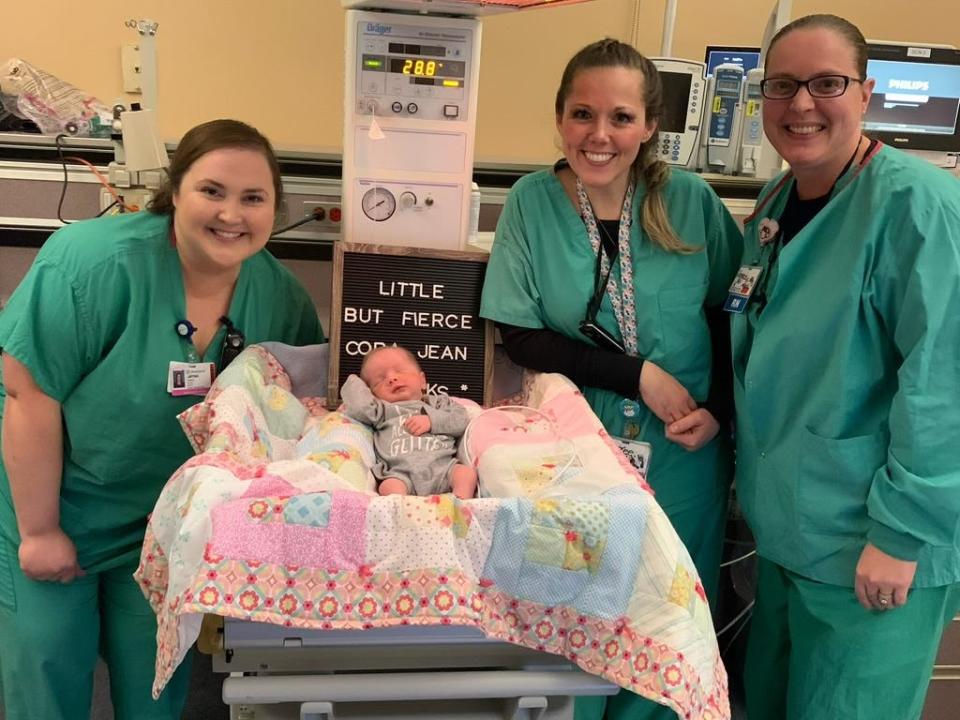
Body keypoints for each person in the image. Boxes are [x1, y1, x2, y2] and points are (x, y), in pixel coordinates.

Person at [0, 118, 325, 720]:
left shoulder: (280, 296)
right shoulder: (93, 265)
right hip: (52, 496)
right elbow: (27, 393)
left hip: (167, 521)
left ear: (275, 210)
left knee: (156, 677)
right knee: (47, 667)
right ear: (175, 191)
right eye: (212, 191)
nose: (232, 214)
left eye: (254, 198)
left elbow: (301, 410)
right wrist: (42, 530)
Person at [479, 39, 743, 719]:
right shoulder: (532, 205)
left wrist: (718, 408)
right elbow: (522, 334)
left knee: (666, 624)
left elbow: (729, 314)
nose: (599, 136)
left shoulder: (690, 202)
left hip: (683, 442)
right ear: (560, 118)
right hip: (574, 442)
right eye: (582, 115)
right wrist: (637, 375)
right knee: (577, 618)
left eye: (621, 118)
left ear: (651, 124)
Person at [730, 14, 960, 719]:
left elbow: (943, 385)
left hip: (873, 548)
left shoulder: (918, 208)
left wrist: (900, 535)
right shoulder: (775, 206)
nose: (801, 104)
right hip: (789, 532)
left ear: (867, 92)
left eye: (826, 83)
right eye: (782, 86)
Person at [341, 346, 477, 499]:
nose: (392, 379)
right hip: (400, 474)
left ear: (422, 380)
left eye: (400, 371)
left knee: (466, 474)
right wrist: (353, 378)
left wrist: (432, 421)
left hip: (443, 469)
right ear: (372, 394)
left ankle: (460, 507)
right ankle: (403, 514)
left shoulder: (438, 403)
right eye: (379, 380)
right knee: (388, 487)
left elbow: (461, 420)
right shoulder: (381, 411)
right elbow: (358, 406)